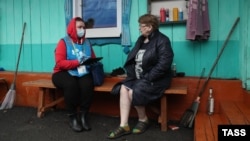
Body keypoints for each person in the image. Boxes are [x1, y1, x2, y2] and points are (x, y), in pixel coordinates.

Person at [107, 14, 174, 139]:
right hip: (139, 77)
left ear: (149, 27)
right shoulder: (141, 39)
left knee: (134, 92)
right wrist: (131, 74)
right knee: (123, 88)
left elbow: (164, 65)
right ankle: (124, 125)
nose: (139, 28)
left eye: (141, 26)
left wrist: (147, 78)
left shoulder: (162, 40)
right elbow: (133, 59)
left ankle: (143, 120)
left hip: (156, 79)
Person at [52, 17, 97, 132]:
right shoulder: (64, 42)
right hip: (62, 72)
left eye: (83, 27)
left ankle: (83, 115)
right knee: (71, 84)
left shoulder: (87, 42)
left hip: (81, 72)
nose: (82, 29)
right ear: (72, 28)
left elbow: (92, 57)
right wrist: (78, 62)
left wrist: (92, 62)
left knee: (87, 84)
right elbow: (60, 63)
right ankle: (72, 117)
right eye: (79, 27)